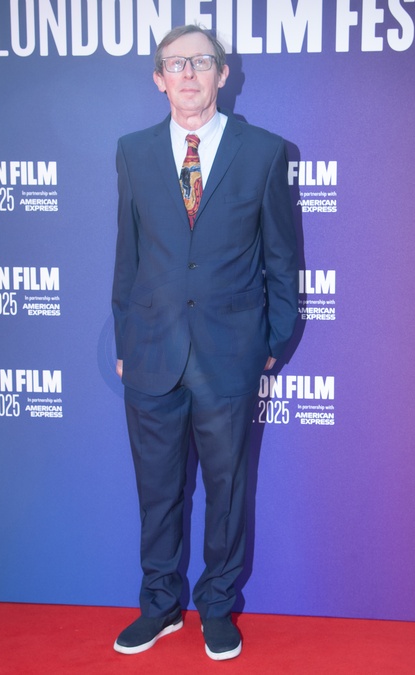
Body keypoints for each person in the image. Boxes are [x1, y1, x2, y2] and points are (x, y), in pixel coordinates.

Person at [111, 24, 299, 661]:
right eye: (175, 64)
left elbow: (282, 258)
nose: (188, 74)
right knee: (158, 492)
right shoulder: (132, 152)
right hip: (150, 353)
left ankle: (217, 606)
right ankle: (160, 605)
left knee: (227, 490)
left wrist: (271, 341)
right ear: (159, 79)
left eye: (200, 62)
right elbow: (128, 255)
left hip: (229, 356)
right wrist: (125, 337)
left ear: (222, 73)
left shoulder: (265, 151)